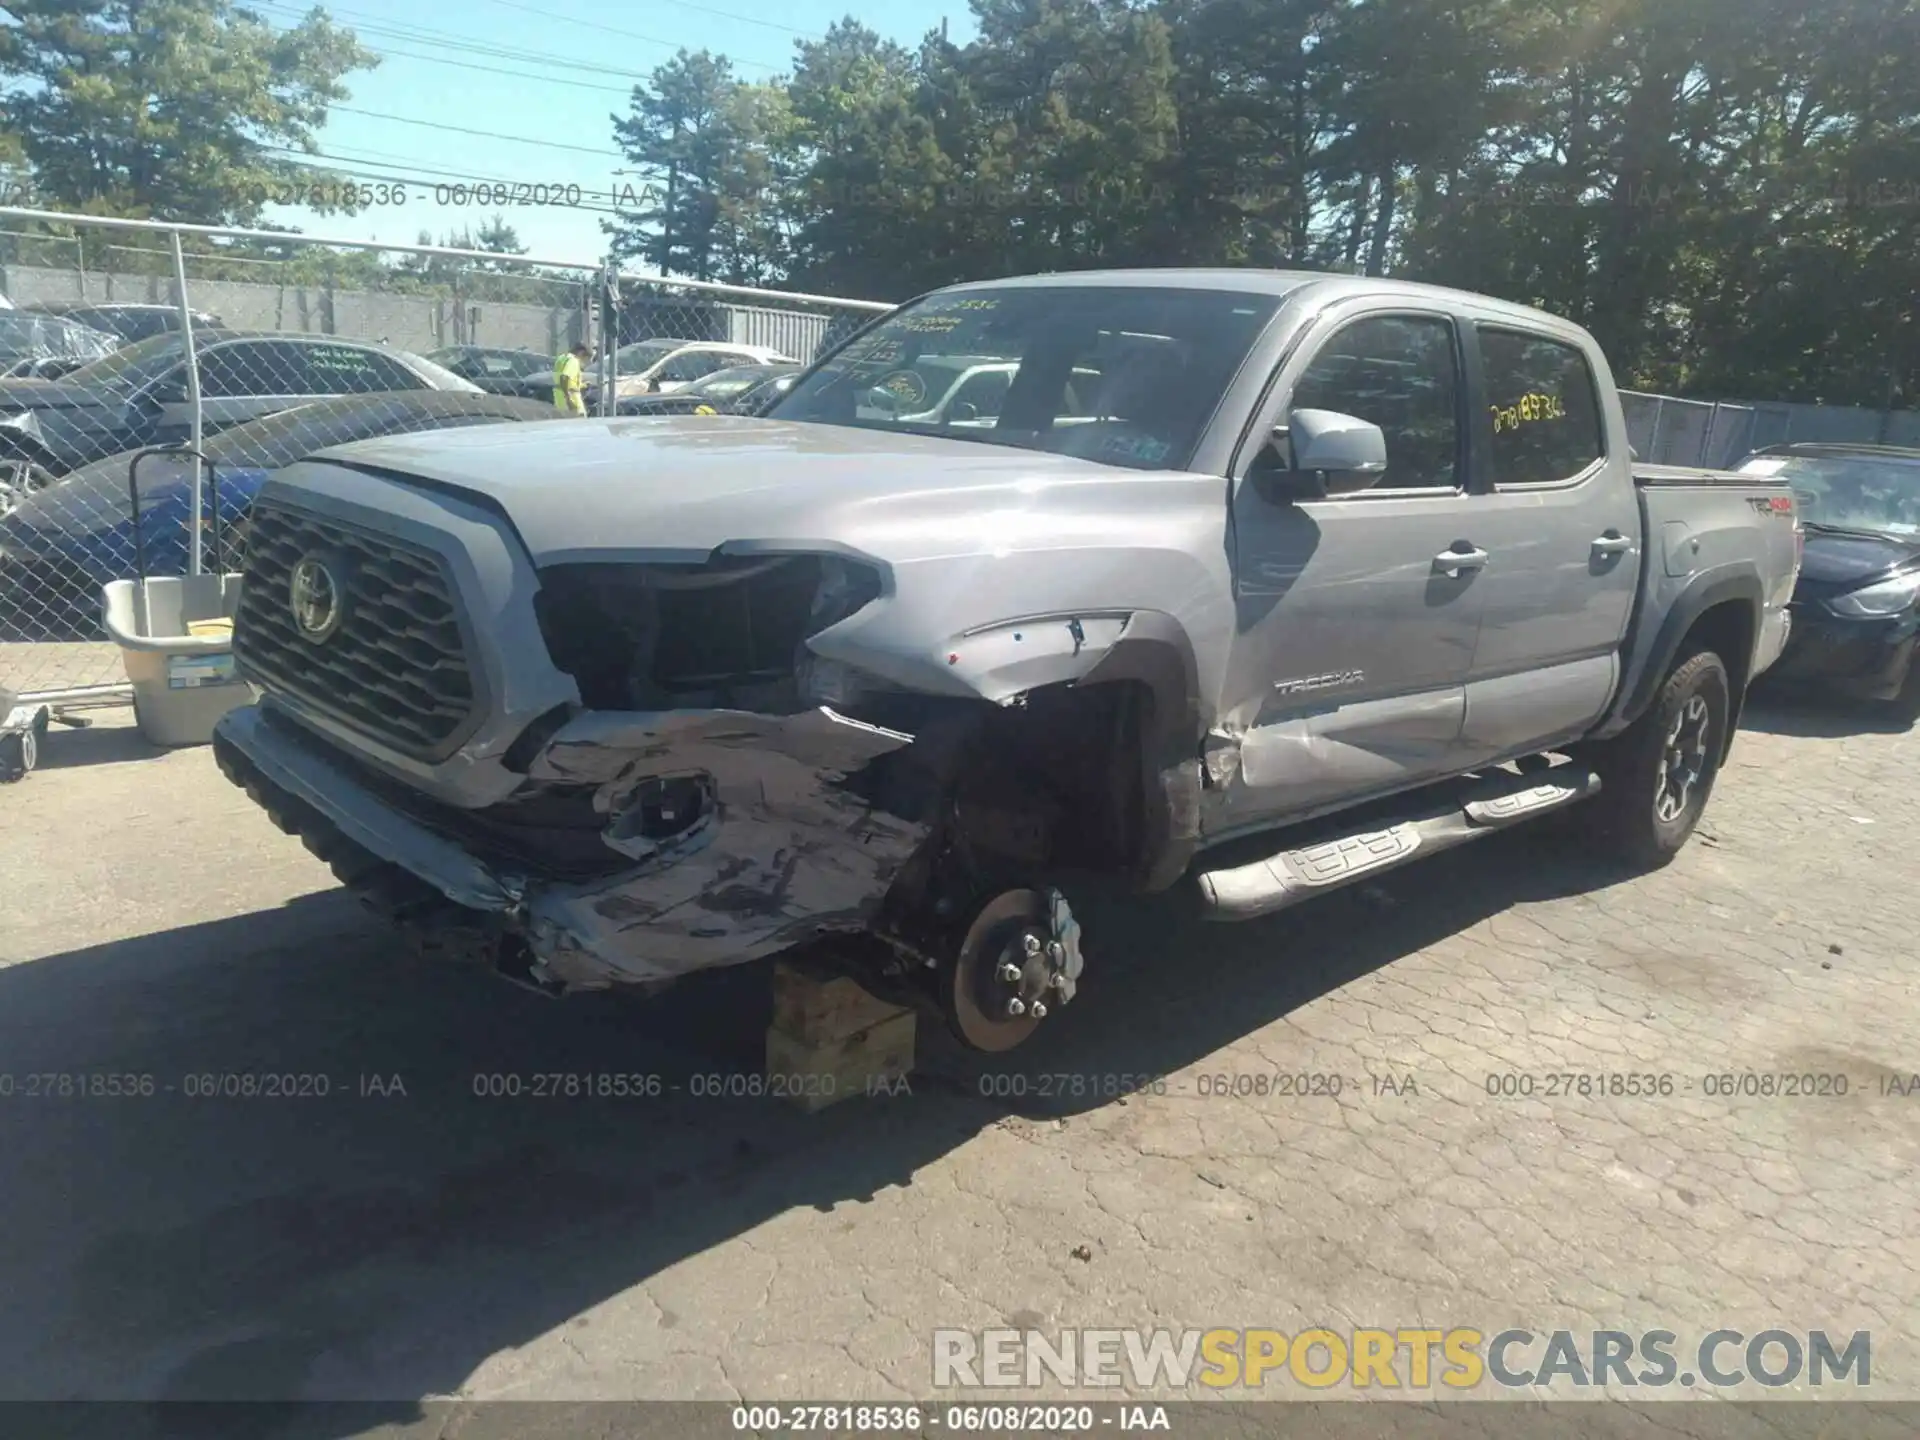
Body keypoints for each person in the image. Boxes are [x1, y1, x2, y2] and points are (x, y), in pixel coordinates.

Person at [553, 341, 593, 416]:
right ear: (581, 353)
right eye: (585, 358)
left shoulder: (562, 358)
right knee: (580, 419)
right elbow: (564, 377)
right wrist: (568, 399)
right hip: (571, 397)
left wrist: (582, 385)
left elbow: (565, 380)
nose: (583, 362)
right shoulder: (573, 361)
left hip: (559, 398)